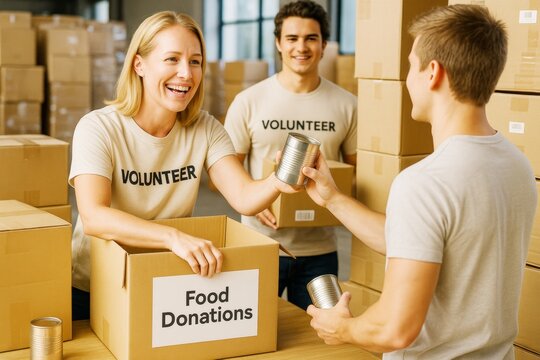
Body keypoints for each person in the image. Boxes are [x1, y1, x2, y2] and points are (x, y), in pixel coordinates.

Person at [302, 4, 537, 358]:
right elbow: (424, 241)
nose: (408, 79)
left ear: (433, 73)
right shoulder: (517, 165)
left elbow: (396, 329)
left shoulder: (425, 182)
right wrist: (332, 198)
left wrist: (342, 327)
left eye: (411, 66)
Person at [69, 11, 295, 320]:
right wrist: (173, 237)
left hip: (162, 279)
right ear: (139, 65)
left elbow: (243, 197)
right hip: (96, 286)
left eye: (195, 61)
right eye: (172, 59)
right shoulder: (98, 128)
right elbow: (94, 216)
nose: (186, 74)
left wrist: (279, 180)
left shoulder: (205, 128)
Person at [224, 0, 357, 310]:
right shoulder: (249, 102)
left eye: (311, 38)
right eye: (292, 38)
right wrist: (254, 201)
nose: (302, 47)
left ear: (324, 45)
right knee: (254, 336)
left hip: (320, 249)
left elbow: (354, 175)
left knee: (322, 338)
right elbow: (224, 175)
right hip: (260, 243)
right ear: (278, 44)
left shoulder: (348, 105)